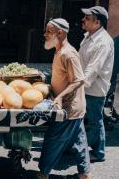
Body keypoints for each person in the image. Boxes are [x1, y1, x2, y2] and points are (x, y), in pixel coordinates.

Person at [37, 18, 90, 179]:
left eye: (48, 31)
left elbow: (79, 80)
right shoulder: (59, 50)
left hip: (69, 108)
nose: (45, 34)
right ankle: (84, 174)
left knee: (53, 140)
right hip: (75, 109)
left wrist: (59, 97)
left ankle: (43, 173)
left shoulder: (68, 53)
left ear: (59, 33)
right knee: (79, 142)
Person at [78, 6, 114, 162]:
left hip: (94, 89)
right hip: (83, 85)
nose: (83, 20)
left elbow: (94, 68)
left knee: (94, 120)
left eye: (87, 18)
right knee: (78, 119)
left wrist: (77, 86)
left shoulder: (103, 42)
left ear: (97, 22)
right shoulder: (88, 36)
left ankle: (98, 153)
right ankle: (74, 146)